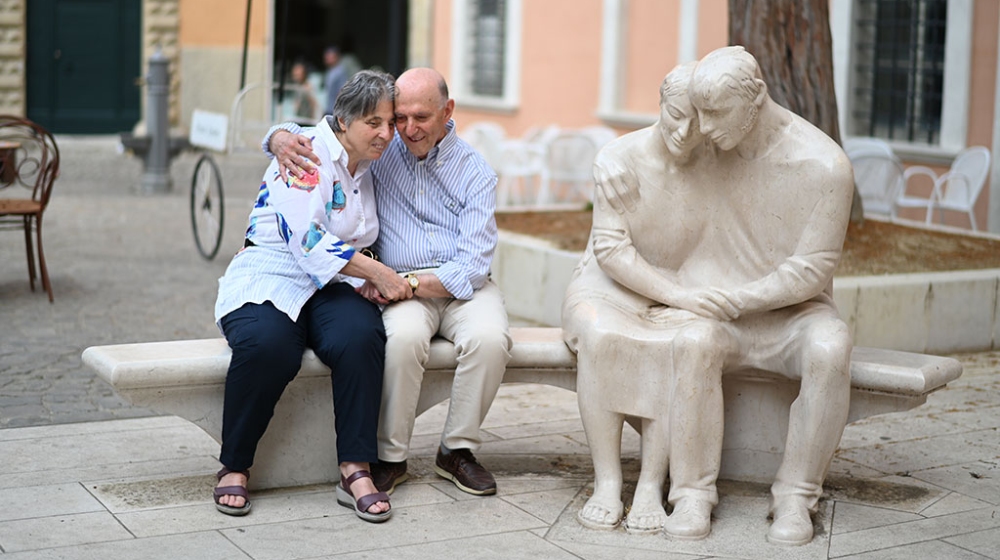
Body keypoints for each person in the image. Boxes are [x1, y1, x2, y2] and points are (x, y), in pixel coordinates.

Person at [595, 46, 852, 546]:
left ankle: (796, 496)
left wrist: (737, 298)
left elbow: (812, 270)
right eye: (701, 114)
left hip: (794, 313)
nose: (704, 129)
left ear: (755, 100)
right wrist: (606, 157)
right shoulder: (715, 142)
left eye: (715, 114)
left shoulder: (825, 166)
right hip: (718, 312)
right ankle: (692, 494)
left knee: (831, 348)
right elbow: (652, 140)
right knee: (694, 345)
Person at [263, 67, 512, 497]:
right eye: (401, 118)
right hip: (400, 288)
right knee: (401, 340)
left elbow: (472, 266)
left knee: (490, 340)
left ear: (447, 111)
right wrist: (277, 137)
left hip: (456, 287)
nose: (408, 130)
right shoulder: (381, 150)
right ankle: (390, 456)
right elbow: (331, 125)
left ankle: (457, 451)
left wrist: (407, 284)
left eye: (422, 117)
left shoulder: (475, 171)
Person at [213, 70, 411, 523]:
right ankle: (235, 464)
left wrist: (275, 133)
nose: (386, 133)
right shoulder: (306, 152)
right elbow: (308, 241)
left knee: (361, 336)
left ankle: (355, 467)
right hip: (273, 270)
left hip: (333, 281)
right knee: (268, 346)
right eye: (373, 123)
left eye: (390, 122)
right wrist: (379, 272)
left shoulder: (371, 158)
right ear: (343, 120)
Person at [562, 61, 713, 534]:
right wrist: (679, 295)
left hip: (672, 292)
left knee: (677, 349)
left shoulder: (716, 165)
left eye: (697, 120)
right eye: (675, 116)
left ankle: (650, 483)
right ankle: (607, 480)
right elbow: (610, 250)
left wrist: (682, 299)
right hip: (605, 287)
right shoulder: (620, 157)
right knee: (604, 337)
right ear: (660, 106)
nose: (684, 131)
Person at [323, 46, 349, 115]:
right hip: (328, 108)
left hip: (335, 110)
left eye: (330, 56)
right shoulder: (330, 71)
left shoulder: (340, 72)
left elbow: (341, 90)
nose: (327, 58)